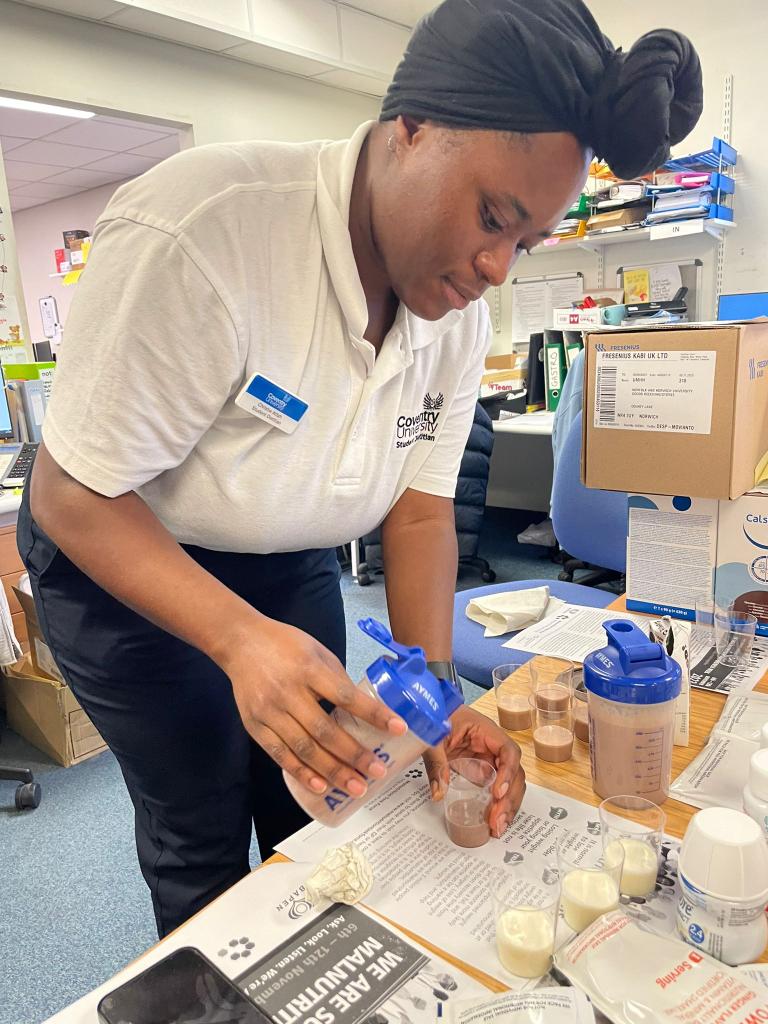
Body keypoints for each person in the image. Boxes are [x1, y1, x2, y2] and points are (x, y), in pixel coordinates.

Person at [19, 0, 703, 937]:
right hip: (126, 557)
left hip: (285, 553)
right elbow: (70, 493)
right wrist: (238, 640)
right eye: (493, 217)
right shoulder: (209, 233)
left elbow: (420, 512)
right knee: (201, 825)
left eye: (527, 242)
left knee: (327, 789)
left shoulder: (458, 311)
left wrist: (433, 699)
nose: (499, 267)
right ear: (408, 131)